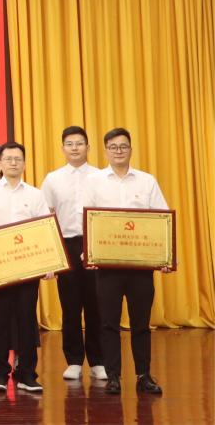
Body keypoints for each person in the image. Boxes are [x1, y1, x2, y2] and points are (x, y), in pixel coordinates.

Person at [83, 128, 170, 395]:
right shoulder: (94, 181)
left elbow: (162, 219)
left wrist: (165, 256)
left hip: (140, 265)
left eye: (123, 146)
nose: (118, 151)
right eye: (113, 147)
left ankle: (144, 375)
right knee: (108, 323)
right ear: (106, 151)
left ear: (131, 149)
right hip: (107, 266)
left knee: (141, 323)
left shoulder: (147, 181)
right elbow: (86, 219)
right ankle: (113, 376)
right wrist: (89, 252)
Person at [0, 142, 51, 394]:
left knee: (26, 318)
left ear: (24, 163)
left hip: (28, 264)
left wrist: (49, 262)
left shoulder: (35, 194)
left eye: (18, 159)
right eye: (8, 159)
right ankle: (0, 373)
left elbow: (44, 228)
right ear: (1, 163)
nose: (13, 163)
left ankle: (27, 374)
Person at [40, 126, 106, 382]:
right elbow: (46, 216)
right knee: (70, 305)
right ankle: (74, 360)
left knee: (96, 305)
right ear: (63, 148)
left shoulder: (101, 176)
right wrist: (51, 254)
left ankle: (98, 361)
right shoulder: (52, 179)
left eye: (79, 143)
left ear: (88, 147)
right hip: (66, 244)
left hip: (95, 243)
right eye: (70, 143)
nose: (75, 147)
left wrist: (97, 244)